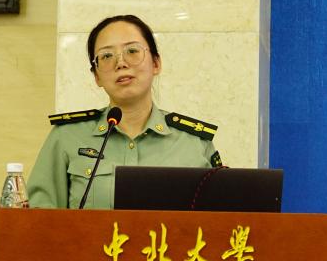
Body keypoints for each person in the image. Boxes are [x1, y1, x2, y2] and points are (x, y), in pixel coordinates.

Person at [27, 14, 222, 209]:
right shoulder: (66, 137)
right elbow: (38, 219)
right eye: (106, 56)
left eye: (132, 51)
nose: (121, 63)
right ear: (96, 76)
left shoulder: (194, 143)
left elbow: (222, 219)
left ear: (156, 64)